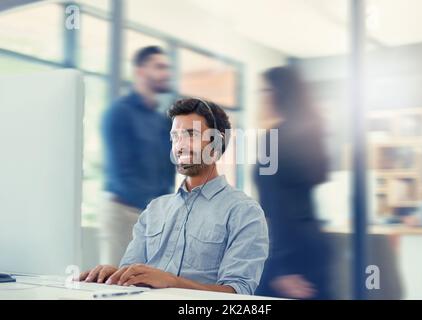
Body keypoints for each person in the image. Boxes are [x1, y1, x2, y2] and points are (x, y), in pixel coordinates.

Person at [78, 98, 269, 295]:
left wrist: (172, 282)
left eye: (191, 135)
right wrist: (113, 276)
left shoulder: (244, 212)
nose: (180, 146)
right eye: (175, 137)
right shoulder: (154, 209)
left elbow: (239, 293)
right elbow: (133, 277)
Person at [254, 65, 332, 299]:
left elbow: (278, 206)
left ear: (277, 93)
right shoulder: (307, 135)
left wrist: (281, 267)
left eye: (264, 91)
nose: (261, 98)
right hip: (312, 246)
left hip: (288, 256)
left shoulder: (273, 139)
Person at [99, 46, 176, 266]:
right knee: (117, 285)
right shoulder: (119, 113)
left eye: (167, 68)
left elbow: (166, 172)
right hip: (123, 213)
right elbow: (122, 173)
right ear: (140, 71)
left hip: (152, 216)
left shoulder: (162, 120)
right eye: (159, 67)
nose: (166, 73)